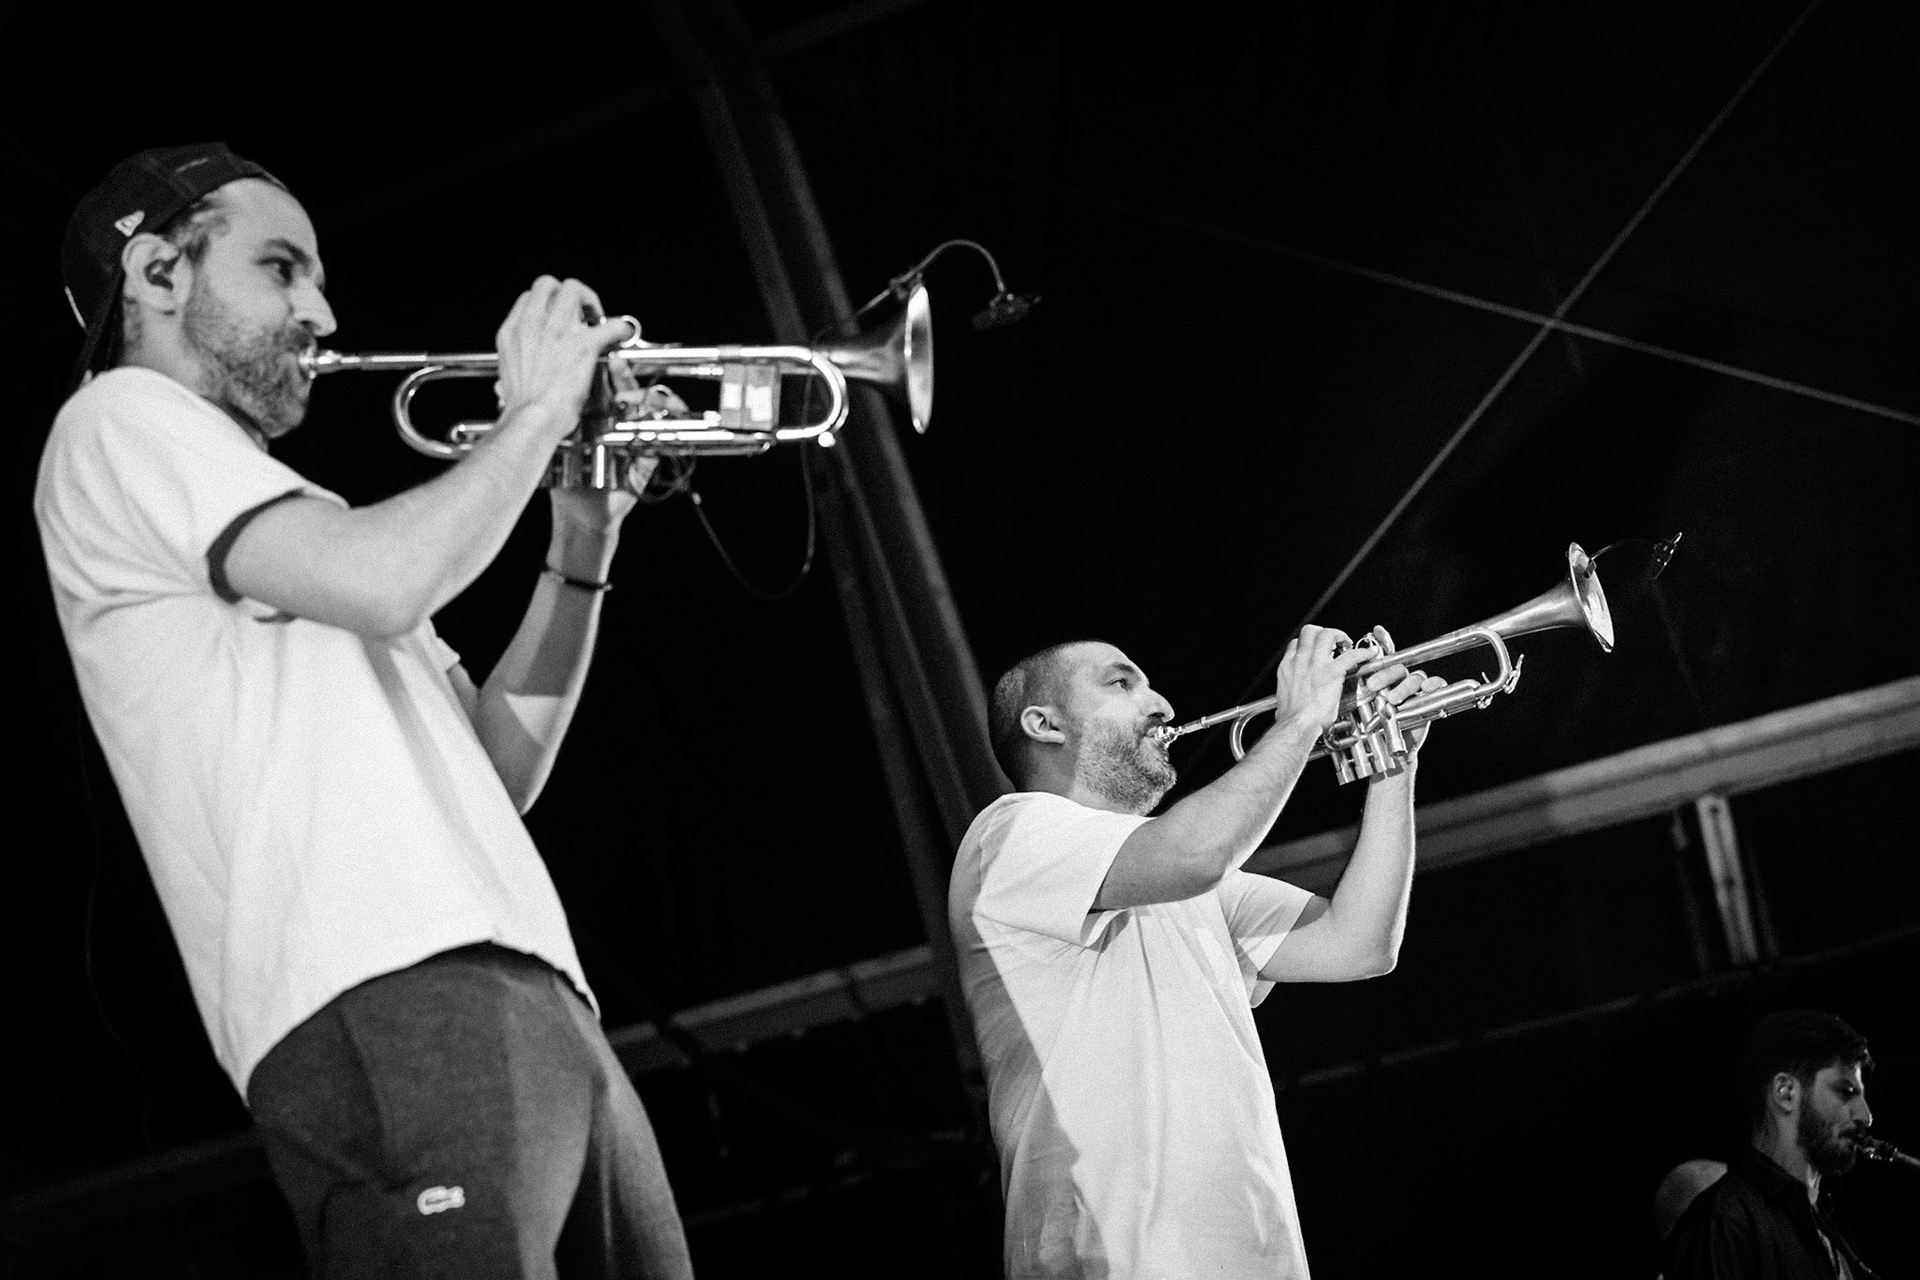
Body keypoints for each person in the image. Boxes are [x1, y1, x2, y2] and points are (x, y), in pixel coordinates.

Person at [35, 143, 695, 1278]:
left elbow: (496, 767)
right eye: (281, 268)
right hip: (377, 987)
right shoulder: (118, 421)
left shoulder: (300, 519)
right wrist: (540, 409)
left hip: (528, 983)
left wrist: (584, 534)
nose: (322, 311)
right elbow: (389, 576)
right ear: (157, 274)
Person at [949, 628, 1445, 1278]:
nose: (1161, 704)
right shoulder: (1009, 834)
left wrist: (1393, 765)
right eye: (1121, 683)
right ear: (1045, 724)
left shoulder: (1186, 883)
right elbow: (1195, 853)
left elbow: (1359, 943)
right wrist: (1300, 721)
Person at [1662, 1009, 1880, 1280]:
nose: (1866, 1116)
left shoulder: (1822, 1217)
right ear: (1785, 1092)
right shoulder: (1724, 1221)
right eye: (1846, 1092)